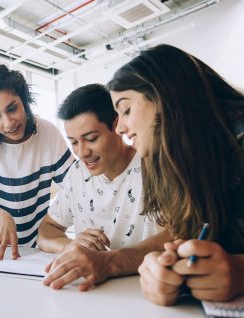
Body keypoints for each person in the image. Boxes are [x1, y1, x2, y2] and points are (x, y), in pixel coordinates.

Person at [107, 44, 244, 305]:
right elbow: (182, 234)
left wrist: (241, 273)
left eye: (126, 110)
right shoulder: (177, 159)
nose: (120, 128)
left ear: (164, 97)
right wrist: (168, 268)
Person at [38, 84, 169, 291]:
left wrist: (108, 261)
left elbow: (173, 236)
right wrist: (70, 246)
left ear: (117, 125)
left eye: (91, 139)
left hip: (144, 291)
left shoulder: (153, 166)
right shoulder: (76, 174)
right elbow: (46, 230)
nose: (82, 152)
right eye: (73, 142)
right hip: (90, 293)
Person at [0, 64, 74, 261]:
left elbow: (76, 187)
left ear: (25, 101)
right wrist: (0, 216)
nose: (8, 122)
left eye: (12, 109)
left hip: (33, 240)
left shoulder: (48, 133)